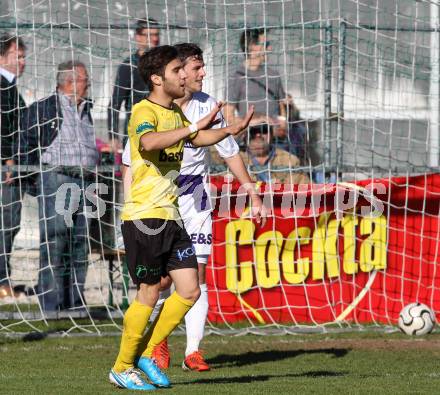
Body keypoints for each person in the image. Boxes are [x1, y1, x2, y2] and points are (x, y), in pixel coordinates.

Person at [109, 45, 255, 391]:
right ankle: (122, 366)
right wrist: (192, 129)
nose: (185, 76)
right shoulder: (145, 110)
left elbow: (198, 138)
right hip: (145, 217)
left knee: (189, 289)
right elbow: (148, 142)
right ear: (158, 79)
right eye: (178, 71)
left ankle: (146, 353)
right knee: (149, 292)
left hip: (171, 215)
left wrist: (226, 131)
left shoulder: (175, 113)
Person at [21, 60, 99, 311]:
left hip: (85, 181)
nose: (88, 84)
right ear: (70, 82)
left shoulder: (86, 108)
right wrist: (34, 181)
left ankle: (75, 302)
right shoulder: (44, 108)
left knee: (79, 242)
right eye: (85, 79)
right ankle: (52, 304)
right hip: (57, 178)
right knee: (56, 242)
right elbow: (27, 143)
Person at [223, 28, 305, 158]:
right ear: (252, 47)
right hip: (251, 139)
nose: (270, 49)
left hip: (275, 141)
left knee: (299, 135)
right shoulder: (237, 77)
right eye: (266, 45)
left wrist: (282, 121)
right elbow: (228, 117)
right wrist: (258, 121)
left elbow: (282, 104)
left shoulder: (273, 75)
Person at [0, 33, 26, 299]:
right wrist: (8, 161)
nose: (22, 61)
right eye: (16, 56)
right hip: (6, 167)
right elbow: (3, 127)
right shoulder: (2, 86)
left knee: (10, 224)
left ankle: (4, 278)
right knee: (5, 223)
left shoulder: (11, 86)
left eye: (23, 56)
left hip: (13, 165)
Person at [107, 17, 160, 149]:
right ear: (138, 37)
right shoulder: (128, 66)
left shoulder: (166, 63)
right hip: (136, 135)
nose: (155, 39)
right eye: (149, 35)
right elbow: (115, 104)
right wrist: (113, 136)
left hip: (164, 131)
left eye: (157, 34)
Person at [235, 123, 309, 184]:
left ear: (272, 134)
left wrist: (282, 187)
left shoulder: (289, 159)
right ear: (244, 135)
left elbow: (304, 188)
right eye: (252, 131)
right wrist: (241, 129)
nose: (258, 135)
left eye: (264, 130)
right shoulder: (234, 159)